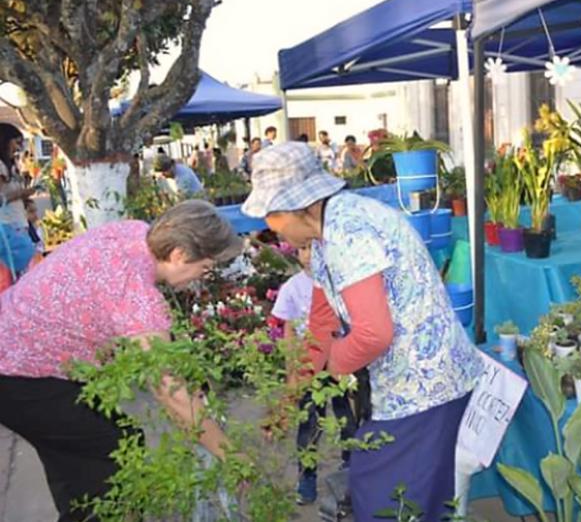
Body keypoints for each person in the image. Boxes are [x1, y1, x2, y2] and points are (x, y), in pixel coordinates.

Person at [241, 143, 483, 521]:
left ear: (299, 205)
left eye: (270, 214)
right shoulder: (324, 235)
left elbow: (373, 335)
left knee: (389, 499)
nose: (270, 228)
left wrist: (332, 372)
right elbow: (321, 324)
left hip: (426, 383)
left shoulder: (347, 233)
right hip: (406, 383)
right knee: (386, 486)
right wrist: (290, 397)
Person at [0, 200, 243, 522]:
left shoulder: (133, 231)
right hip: (17, 375)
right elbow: (171, 394)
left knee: (79, 456)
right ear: (180, 255)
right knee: (112, 452)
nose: (202, 277)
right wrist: (233, 457)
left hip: (19, 354)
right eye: (206, 268)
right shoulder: (137, 296)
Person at [272, 242, 356, 505]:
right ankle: (307, 477)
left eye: (314, 248)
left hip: (340, 361)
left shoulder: (340, 281)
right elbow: (287, 331)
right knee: (308, 422)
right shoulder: (291, 288)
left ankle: (351, 467)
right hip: (309, 365)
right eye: (303, 249)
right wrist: (292, 366)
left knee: (347, 416)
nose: (308, 255)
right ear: (296, 254)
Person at [0, 125, 35, 275]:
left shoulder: (11, 165)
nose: (18, 146)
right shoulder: (1, 166)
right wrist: (21, 193)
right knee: (19, 271)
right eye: (16, 141)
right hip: (9, 225)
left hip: (18, 221)